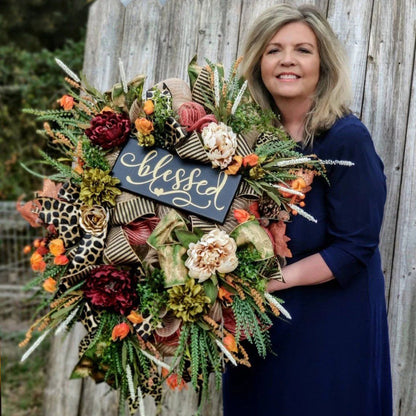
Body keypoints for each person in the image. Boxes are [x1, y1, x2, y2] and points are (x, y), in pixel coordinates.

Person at [222, 4, 392, 416]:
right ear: (259, 61)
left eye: (303, 50)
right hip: (258, 325)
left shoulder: (346, 139)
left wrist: (266, 284)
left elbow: (355, 247)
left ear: (323, 64)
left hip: (330, 326)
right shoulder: (242, 141)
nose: (287, 61)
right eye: (274, 50)